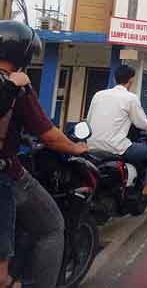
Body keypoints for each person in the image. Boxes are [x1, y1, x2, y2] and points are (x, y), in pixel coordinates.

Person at [0, 21, 88, 288]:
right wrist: (76, 147)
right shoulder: (16, 86)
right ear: (24, 56)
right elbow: (48, 134)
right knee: (51, 226)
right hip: (5, 173)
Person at [87, 64, 147, 205]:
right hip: (116, 147)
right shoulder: (130, 98)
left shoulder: (98, 95)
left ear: (114, 79)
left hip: (91, 145)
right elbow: (141, 123)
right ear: (131, 81)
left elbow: (89, 120)